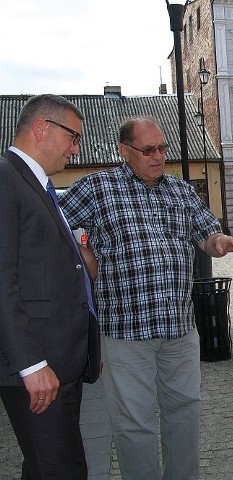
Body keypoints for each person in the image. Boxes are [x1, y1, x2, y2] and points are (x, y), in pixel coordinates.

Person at [58, 116, 233, 480]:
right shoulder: (99, 188)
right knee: (134, 426)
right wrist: (80, 258)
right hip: (126, 333)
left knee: (185, 416)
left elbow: (207, 233)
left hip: (179, 328)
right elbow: (50, 222)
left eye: (162, 148)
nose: (158, 156)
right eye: (148, 149)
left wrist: (219, 243)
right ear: (124, 151)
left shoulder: (180, 191)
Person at [0, 94, 100, 479]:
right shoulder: (6, 179)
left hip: (59, 363)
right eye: (73, 137)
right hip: (38, 367)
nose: (76, 149)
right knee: (60, 469)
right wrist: (31, 363)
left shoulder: (37, 186)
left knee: (47, 466)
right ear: (41, 128)